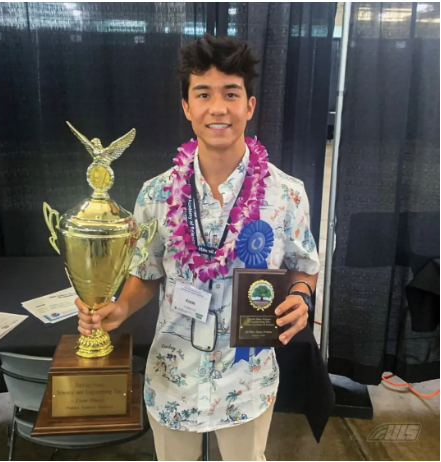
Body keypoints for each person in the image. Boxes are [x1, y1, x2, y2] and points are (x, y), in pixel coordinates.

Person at [76, 34, 319, 461]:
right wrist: (119, 308)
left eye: (231, 93)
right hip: (174, 375)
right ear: (187, 107)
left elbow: (304, 265)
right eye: (203, 93)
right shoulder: (155, 195)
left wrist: (300, 295)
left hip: (247, 380)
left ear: (250, 105)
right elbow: (145, 274)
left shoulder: (288, 195)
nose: (218, 107)